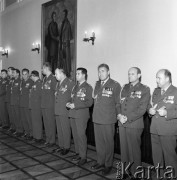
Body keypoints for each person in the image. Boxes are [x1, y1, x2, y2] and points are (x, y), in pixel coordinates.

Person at [117, 67, 150, 178]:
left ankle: (137, 173)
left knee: (134, 150)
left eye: (133, 74)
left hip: (134, 123)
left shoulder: (144, 89)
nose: (130, 76)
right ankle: (124, 171)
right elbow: (118, 104)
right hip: (122, 122)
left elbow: (142, 109)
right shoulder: (124, 87)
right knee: (124, 149)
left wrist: (127, 117)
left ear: (139, 75)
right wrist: (119, 116)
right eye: (129, 74)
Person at [91, 63, 121, 175]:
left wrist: (118, 116)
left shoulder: (115, 84)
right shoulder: (97, 84)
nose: (100, 73)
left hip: (108, 119)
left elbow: (118, 103)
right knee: (99, 143)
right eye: (99, 71)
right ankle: (100, 161)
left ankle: (108, 164)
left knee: (108, 143)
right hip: (97, 117)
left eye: (103, 71)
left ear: (108, 72)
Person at [149, 69, 177, 178]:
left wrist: (167, 113)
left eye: (159, 78)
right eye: (156, 77)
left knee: (170, 158)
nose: (156, 80)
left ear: (167, 78)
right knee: (157, 158)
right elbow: (152, 106)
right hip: (154, 129)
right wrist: (150, 111)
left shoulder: (175, 91)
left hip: (168, 130)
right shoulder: (156, 91)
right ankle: (158, 176)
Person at [67, 67, 93, 165]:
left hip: (81, 115)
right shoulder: (75, 87)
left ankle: (83, 157)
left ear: (84, 75)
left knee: (81, 136)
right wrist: (68, 103)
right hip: (73, 114)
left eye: (78, 74)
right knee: (75, 135)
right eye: (76, 73)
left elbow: (90, 102)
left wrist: (76, 105)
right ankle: (78, 153)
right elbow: (71, 98)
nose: (76, 75)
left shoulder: (88, 87)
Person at [54, 68, 75, 155]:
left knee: (65, 129)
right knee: (59, 129)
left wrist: (70, 104)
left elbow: (73, 96)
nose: (55, 76)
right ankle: (61, 145)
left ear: (62, 73)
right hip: (58, 109)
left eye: (56, 74)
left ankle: (66, 147)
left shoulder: (70, 83)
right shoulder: (58, 83)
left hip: (65, 110)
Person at [41, 62, 57, 146]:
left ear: (47, 68)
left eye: (43, 68)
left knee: (50, 123)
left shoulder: (53, 78)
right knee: (46, 123)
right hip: (44, 104)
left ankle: (52, 140)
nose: (42, 70)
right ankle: (48, 138)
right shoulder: (44, 79)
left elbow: (55, 92)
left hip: (50, 105)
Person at [20, 68, 33, 140]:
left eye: (26, 74)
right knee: (23, 119)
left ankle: (31, 134)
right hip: (22, 103)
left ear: (28, 74)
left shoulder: (30, 81)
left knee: (29, 119)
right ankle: (26, 132)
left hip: (27, 103)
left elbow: (31, 93)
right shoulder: (22, 82)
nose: (24, 76)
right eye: (23, 74)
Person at [30, 70, 43, 143]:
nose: (30, 77)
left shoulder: (39, 83)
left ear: (34, 75)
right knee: (34, 121)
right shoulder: (34, 83)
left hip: (37, 106)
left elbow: (40, 96)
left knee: (37, 121)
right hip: (34, 105)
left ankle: (38, 137)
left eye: (31, 76)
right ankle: (35, 136)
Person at [59, 9, 73, 77]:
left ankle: (67, 72)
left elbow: (69, 34)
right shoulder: (63, 22)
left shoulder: (67, 22)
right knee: (63, 59)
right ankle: (64, 72)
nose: (63, 15)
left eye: (64, 14)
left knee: (67, 59)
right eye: (62, 14)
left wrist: (66, 41)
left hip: (66, 43)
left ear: (66, 14)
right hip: (62, 43)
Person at [10, 69, 23, 137]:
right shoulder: (13, 81)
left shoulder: (20, 81)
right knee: (14, 116)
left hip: (17, 101)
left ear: (17, 74)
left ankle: (20, 130)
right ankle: (17, 129)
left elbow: (20, 92)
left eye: (13, 72)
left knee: (18, 117)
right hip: (13, 101)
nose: (12, 73)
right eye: (12, 72)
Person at [5, 67, 15, 132]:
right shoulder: (9, 80)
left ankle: (14, 127)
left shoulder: (14, 80)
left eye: (9, 71)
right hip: (8, 99)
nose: (8, 72)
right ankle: (12, 126)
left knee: (13, 115)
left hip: (12, 100)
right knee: (10, 115)